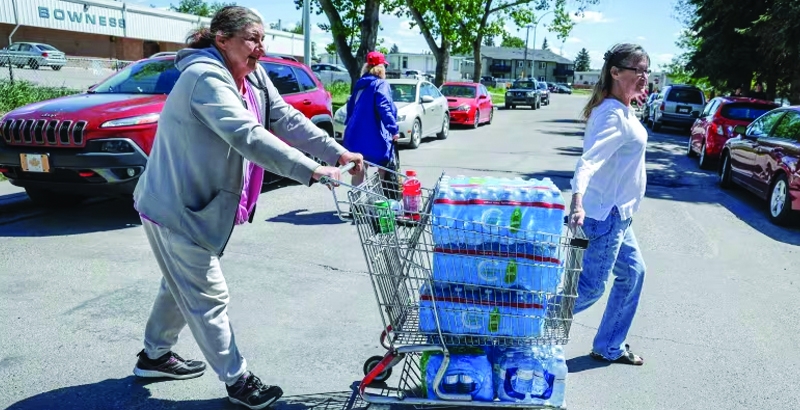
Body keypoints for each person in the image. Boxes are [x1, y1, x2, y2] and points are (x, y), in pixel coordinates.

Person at [130, 6, 364, 409]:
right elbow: (248, 135)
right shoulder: (204, 77)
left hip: (198, 204)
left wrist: (338, 152)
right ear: (222, 38)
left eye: (263, 39)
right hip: (176, 204)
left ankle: (154, 356)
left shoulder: (252, 75)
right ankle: (239, 381)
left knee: (179, 283)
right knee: (208, 294)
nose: (260, 48)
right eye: (252, 38)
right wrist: (312, 171)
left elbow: (286, 118)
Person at [569, 43, 649, 366]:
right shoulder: (613, 115)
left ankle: (609, 345)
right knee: (589, 288)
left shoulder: (620, 108)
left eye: (646, 70)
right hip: (605, 217)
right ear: (615, 72)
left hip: (620, 215)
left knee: (633, 273)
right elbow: (587, 162)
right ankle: (528, 323)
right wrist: (577, 201)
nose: (644, 76)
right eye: (637, 70)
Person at [343, 51, 400, 188]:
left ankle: (356, 204)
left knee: (359, 167)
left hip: (354, 136)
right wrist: (394, 129)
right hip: (374, 136)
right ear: (381, 68)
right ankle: (377, 200)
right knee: (383, 164)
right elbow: (384, 107)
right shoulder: (381, 84)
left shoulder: (359, 85)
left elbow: (350, 109)